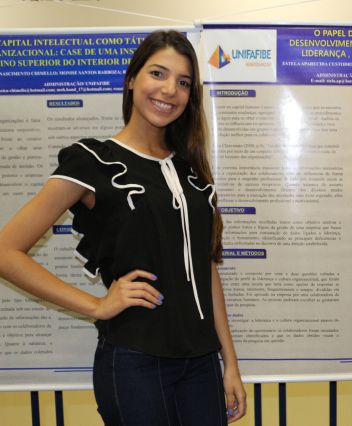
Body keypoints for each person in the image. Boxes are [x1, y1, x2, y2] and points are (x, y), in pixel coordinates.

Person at [0, 30, 246, 425]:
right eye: (158, 73)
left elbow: (205, 268)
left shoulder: (191, 171)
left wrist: (229, 361)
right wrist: (97, 305)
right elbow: (6, 251)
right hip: (136, 362)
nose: (170, 90)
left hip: (201, 363)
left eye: (183, 82)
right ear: (132, 79)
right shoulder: (92, 161)